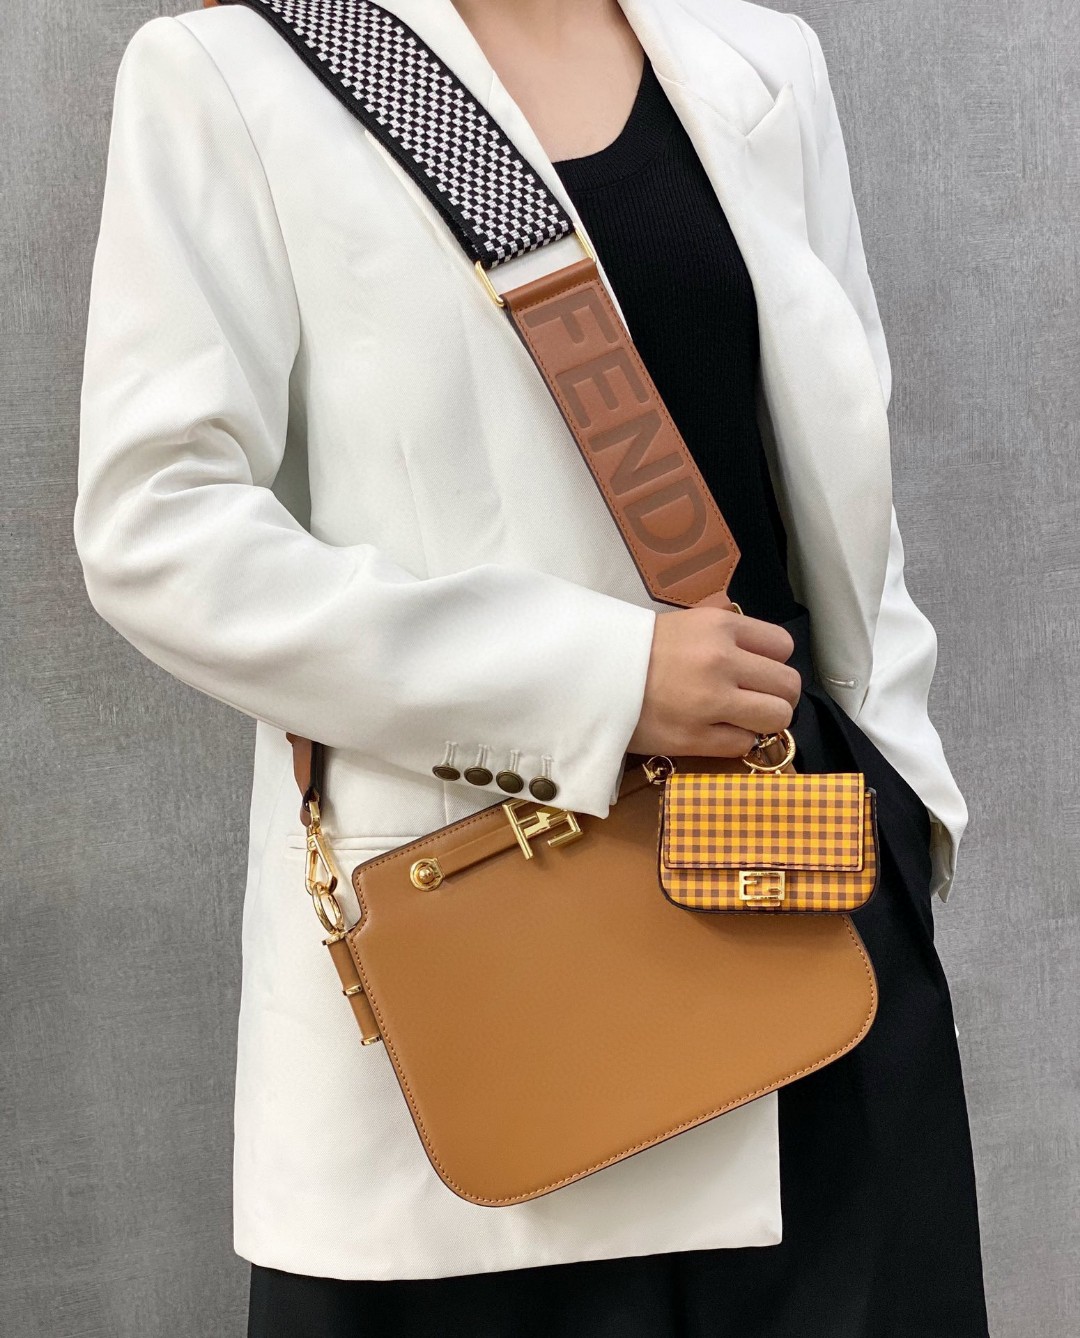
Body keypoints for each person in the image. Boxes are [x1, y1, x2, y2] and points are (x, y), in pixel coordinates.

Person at [74, 0, 990, 1333]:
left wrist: (908, 808)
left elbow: (842, 485)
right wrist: (597, 682)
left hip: (806, 900)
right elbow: (157, 531)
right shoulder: (233, 75)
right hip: (507, 969)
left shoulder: (757, 58)